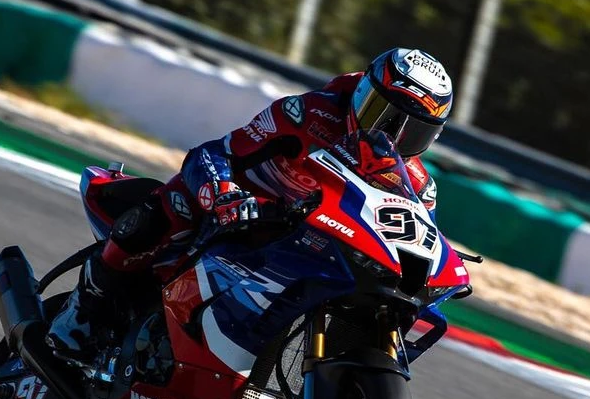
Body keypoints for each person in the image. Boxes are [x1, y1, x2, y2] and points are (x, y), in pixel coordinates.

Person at [47, 47, 454, 358]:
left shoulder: (417, 185)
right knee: (172, 209)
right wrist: (222, 193)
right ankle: (83, 309)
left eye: (413, 131)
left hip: (311, 252)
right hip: (240, 214)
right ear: (362, 94)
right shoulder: (307, 115)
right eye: (383, 116)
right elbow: (217, 153)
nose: (392, 137)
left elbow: (405, 241)